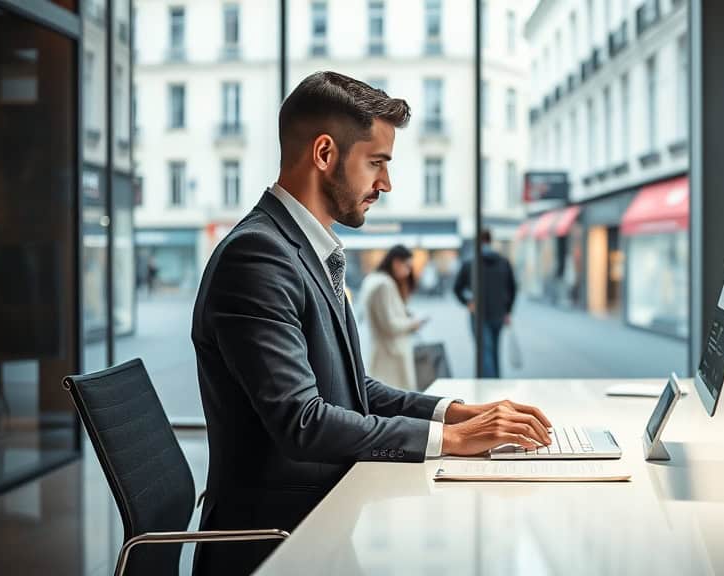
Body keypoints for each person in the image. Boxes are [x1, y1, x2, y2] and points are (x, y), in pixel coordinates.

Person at [191, 71, 552, 575]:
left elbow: (353, 389)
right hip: (278, 543)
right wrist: (449, 442)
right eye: (377, 163)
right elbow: (303, 422)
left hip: (325, 518)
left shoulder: (303, 251)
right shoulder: (257, 257)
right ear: (324, 154)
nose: (386, 183)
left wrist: (458, 414)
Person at [358, 245, 424, 391]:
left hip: (383, 352)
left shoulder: (373, 279)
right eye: (407, 266)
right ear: (396, 262)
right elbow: (390, 325)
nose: (408, 272)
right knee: (396, 400)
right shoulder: (384, 284)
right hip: (391, 354)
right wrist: (413, 323)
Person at [453, 229, 517, 377]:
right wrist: (508, 311)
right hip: (499, 314)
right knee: (493, 351)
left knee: (484, 352)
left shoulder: (470, 263)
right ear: (490, 240)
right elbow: (513, 288)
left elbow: (457, 288)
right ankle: (495, 382)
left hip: (478, 314)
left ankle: (488, 385)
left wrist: (468, 302)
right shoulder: (503, 262)